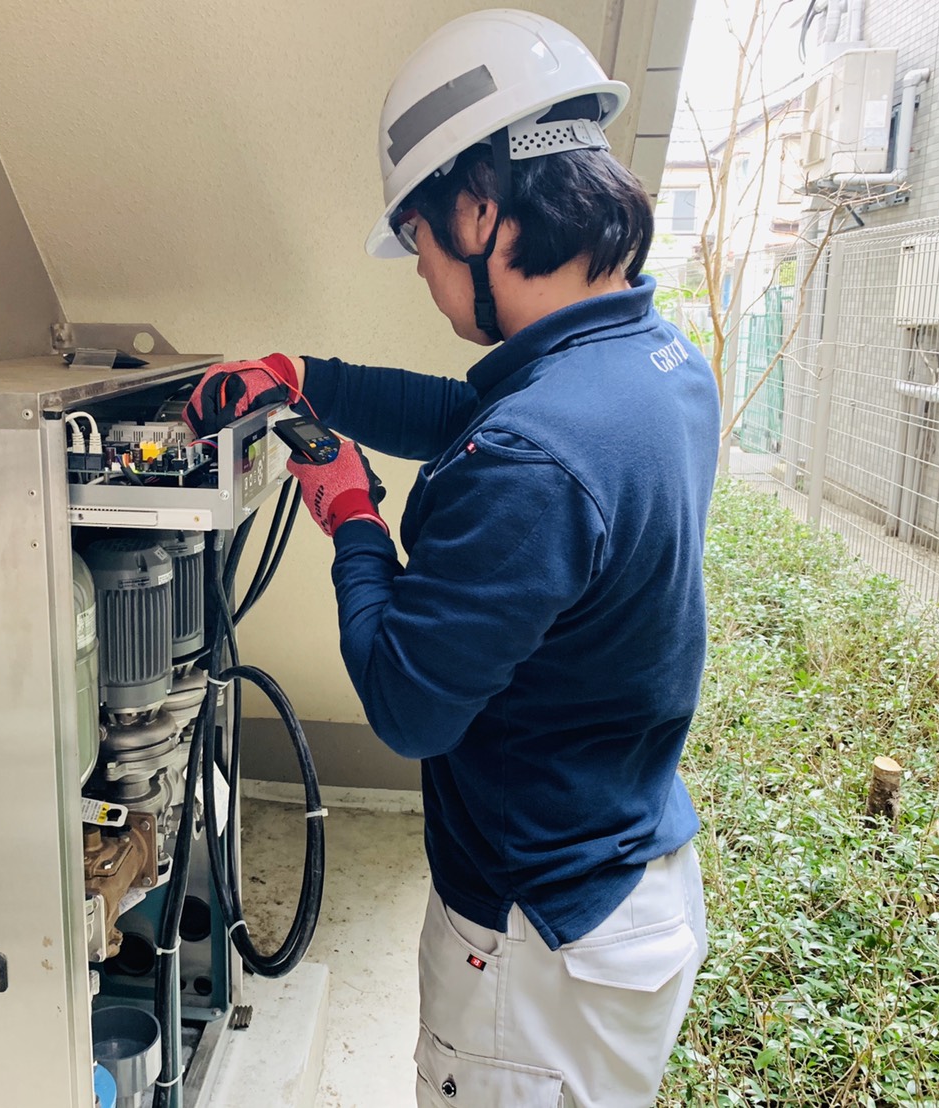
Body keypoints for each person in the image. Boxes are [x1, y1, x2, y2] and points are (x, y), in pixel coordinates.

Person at [183, 11, 718, 1107]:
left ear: (479, 209)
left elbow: (407, 703)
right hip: (624, 859)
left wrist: (351, 518)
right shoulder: (651, 361)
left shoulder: (533, 459)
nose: (422, 274)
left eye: (420, 243)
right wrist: (302, 376)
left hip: (536, 943)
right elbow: (466, 415)